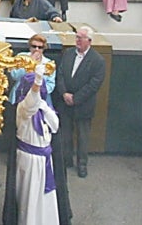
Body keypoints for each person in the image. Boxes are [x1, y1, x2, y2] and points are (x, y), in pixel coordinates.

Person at [8, 66, 59, 224]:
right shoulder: (23, 108)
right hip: (29, 159)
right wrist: (37, 80)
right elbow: (32, 101)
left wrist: (45, 107)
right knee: (30, 198)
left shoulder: (44, 108)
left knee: (45, 197)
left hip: (44, 158)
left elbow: (55, 126)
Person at [53, 26, 104, 178]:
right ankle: (65, 160)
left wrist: (75, 98)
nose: (77, 41)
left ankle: (82, 164)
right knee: (65, 134)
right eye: (76, 37)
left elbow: (94, 85)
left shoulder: (97, 60)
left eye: (81, 38)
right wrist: (64, 93)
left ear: (89, 41)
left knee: (83, 136)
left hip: (83, 105)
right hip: (65, 102)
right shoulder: (68, 54)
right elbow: (60, 74)